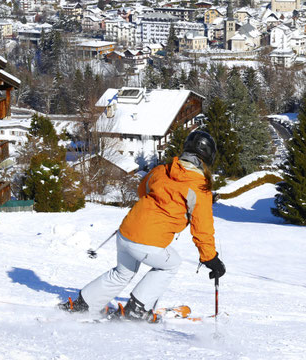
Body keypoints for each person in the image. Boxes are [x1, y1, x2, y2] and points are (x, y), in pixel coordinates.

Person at [59, 131, 226, 322]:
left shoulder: (162, 170)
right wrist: (210, 258)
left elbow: (142, 190)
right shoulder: (199, 188)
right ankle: (136, 309)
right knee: (171, 264)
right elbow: (202, 228)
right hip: (147, 241)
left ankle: (84, 304)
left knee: (122, 273)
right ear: (208, 159)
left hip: (126, 232)